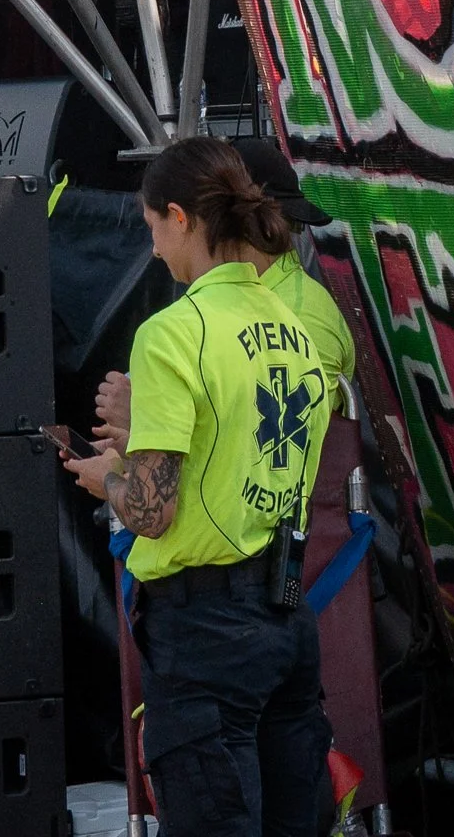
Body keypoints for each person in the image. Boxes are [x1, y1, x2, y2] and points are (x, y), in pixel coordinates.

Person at [63, 137, 354, 837]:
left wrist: (109, 476)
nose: (154, 250)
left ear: (180, 217)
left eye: (152, 228)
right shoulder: (293, 321)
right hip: (283, 616)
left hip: (205, 632)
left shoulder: (173, 332)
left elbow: (153, 512)